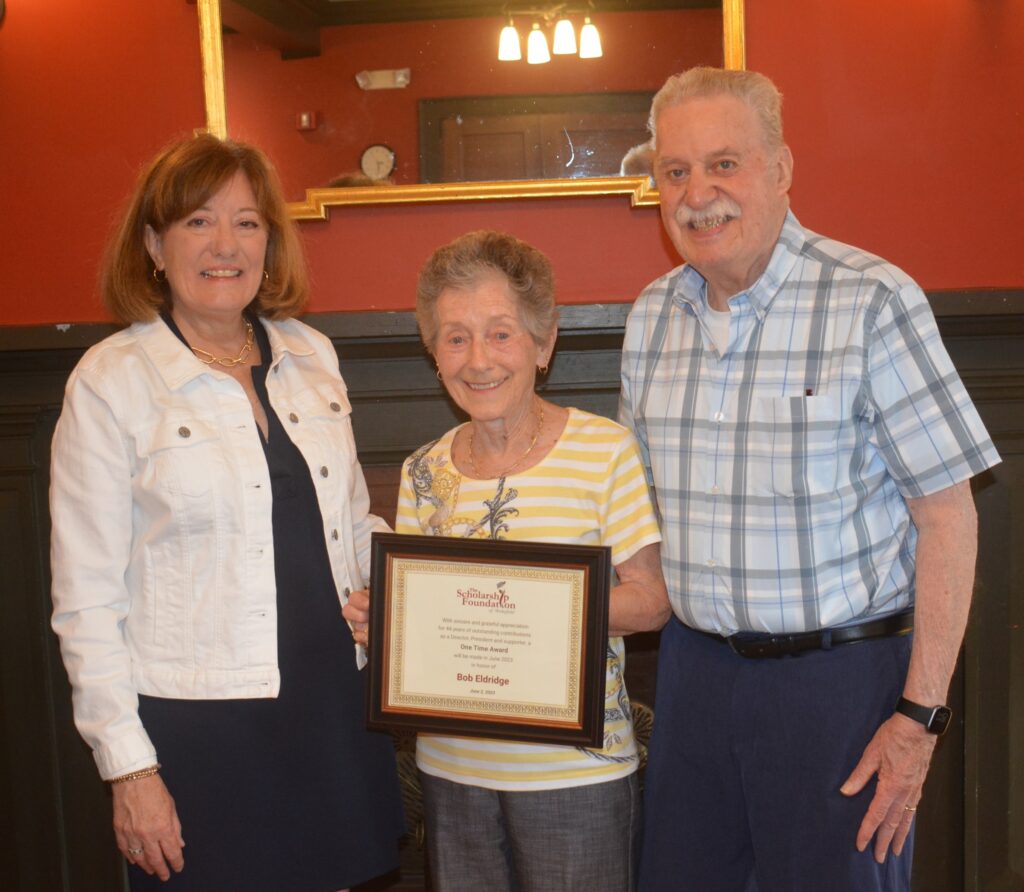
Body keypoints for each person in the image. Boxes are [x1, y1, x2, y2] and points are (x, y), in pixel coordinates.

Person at [619, 67, 1001, 891]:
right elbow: (628, 513)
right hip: (693, 678)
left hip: (839, 689)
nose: (698, 194)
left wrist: (919, 720)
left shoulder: (873, 299)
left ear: (782, 168)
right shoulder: (650, 317)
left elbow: (948, 517)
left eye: (725, 164)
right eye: (675, 171)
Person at [49, 133, 404, 890]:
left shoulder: (312, 356)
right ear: (153, 242)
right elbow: (86, 602)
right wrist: (129, 770)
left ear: (270, 243)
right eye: (197, 221)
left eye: (247, 222)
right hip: (201, 729)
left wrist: (400, 592)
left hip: (333, 705)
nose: (225, 245)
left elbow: (349, 523)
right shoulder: (111, 382)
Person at [345, 230, 670, 891]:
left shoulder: (604, 453)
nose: (478, 359)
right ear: (433, 353)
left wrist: (539, 604)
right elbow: (427, 622)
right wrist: (388, 625)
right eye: (455, 336)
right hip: (452, 772)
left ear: (543, 343)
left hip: (575, 776)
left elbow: (652, 602)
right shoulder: (423, 471)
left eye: (500, 333)